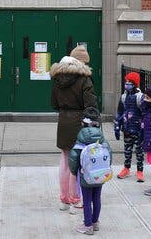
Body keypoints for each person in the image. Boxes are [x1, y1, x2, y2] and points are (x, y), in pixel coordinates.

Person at [50, 45, 97, 214]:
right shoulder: (84, 79)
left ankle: (64, 200)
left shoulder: (57, 77)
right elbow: (91, 106)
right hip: (79, 123)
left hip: (63, 121)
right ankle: (75, 200)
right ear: (82, 62)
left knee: (64, 161)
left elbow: (54, 104)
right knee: (77, 163)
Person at [69, 107, 111, 235]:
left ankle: (87, 226)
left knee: (87, 201)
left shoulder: (81, 139)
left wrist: (74, 170)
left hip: (85, 176)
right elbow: (109, 156)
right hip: (100, 174)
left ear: (83, 123)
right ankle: (95, 222)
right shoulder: (102, 139)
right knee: (97, 198)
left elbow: (74, 158)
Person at [115, 72, 145, 182]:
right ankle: (126, 168)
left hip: (137, 129)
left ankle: (140, 170)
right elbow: (119, 112)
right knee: (127, 150)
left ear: (135, 84)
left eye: (130, 82)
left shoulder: (140, 97)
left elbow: (144, 113)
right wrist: (117, 126)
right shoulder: (123, 97)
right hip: (127, 128)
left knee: (139, 151)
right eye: (126, 82)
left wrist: (143, 129)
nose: (127, 84)